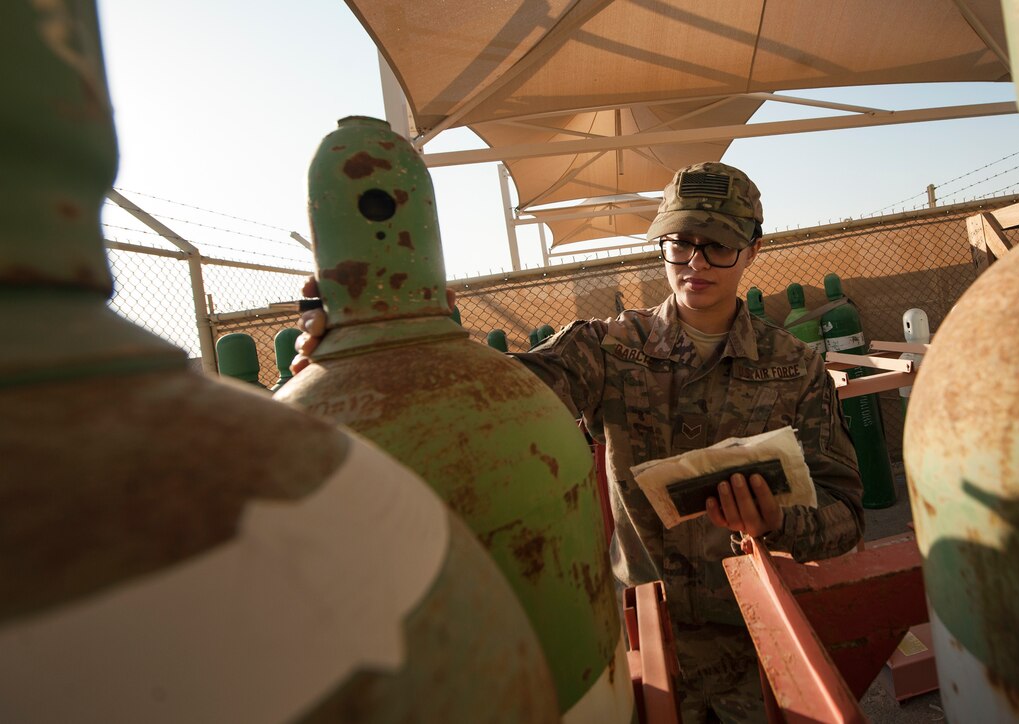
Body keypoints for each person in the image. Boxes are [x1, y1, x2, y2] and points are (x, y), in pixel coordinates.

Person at [293, 162, 864, 723]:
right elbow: (497, 397)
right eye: (680, 243)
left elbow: (846, 516)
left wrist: (777, 525)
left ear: (753, 250)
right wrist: (394, 341)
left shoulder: (796, 368)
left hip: (758, 649)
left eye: (719, 246)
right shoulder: (608, 347)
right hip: (643, 645)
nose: (695, 263)